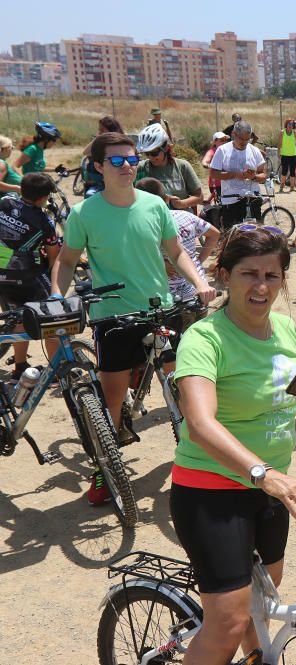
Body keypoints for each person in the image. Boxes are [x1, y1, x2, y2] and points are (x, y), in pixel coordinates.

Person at [170, 226, 296, 665]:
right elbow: (199, 423)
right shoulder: (205, 339)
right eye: (249, 274)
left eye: (272, 276)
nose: (261, 285)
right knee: (228, 623)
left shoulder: (286, 331)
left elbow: (288, 407)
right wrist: (264, 474)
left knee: (260, 609)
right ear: (224, 275)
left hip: (271, 491)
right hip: (211, 492)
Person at [50, 132, 215, 506]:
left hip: (160, 308)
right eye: (117, 161)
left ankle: (200, 461)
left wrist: (200, 281)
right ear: (98, 167)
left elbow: (176, 252)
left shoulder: (155, 205)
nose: (127, 167)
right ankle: (105, 465)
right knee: (112, 401)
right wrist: (57, 296)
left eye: (132, 160)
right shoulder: (84, 213)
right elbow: (66, 260)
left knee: (185, 387)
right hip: (113, 316)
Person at [0, 173, 63, 376]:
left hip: (2, 274)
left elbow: (21, 196)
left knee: (18, 319)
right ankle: (56, 371)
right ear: (43, 198)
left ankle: (19, 367)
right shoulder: (45, 222)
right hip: (26, 276)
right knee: (53, 318)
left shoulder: (5, 202)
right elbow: (54, 258)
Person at [135, 177, 220, 311]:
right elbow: (214, 234)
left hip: (163, 292)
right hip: (197, 287)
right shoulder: (185, 216)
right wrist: (198, 260)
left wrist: (162, 263)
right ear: (167, 199)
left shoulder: (139, 226)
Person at [209, 121, 267, 231]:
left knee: (255, 239)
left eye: (247, 139)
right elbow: (213, 173)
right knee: (233, 238)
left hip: (252, 200)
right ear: (233, 134)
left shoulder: (254, 151)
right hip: (231, 202)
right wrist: (235, 175)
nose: (244, 142)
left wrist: (253, 177)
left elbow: (263, 174)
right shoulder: (223, 150)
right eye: (241, 139)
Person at [135, 124, 203, 214]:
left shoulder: (182, 166)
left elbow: (199, 196)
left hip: (180, 220)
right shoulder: (140, 168)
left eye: (154, 153)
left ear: (166, 148)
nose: (150, 157)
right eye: (147, 154)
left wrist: (181, 204)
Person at [80, 116, 125, 198]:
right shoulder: (100, 142)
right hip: (96, 182)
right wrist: (99, 138)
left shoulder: (120, 144)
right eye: (99, 130)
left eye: (102, 130)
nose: (99, 133)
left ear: (111, 130)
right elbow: (86, 152)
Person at [201, 132, 229, 204]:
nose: (224, 142)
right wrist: (211, 166)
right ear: (215, 141)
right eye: (221, 140)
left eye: (225, 140)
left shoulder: (228, 151)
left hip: (228, 182)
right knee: (222, 205)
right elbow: (204, 162)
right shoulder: (212, 152)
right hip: (217, 184)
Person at [277, 119, 296, 193]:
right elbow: (279, 144)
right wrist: (278, 153)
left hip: (293, 154)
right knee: (284, 171)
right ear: (286, 124)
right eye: (289, 124)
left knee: (293, 172)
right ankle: (281, 186)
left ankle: (292, 187)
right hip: (285, 154)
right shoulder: (282, 132)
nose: (290, 125)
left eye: (292, 124)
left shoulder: (294, 132)